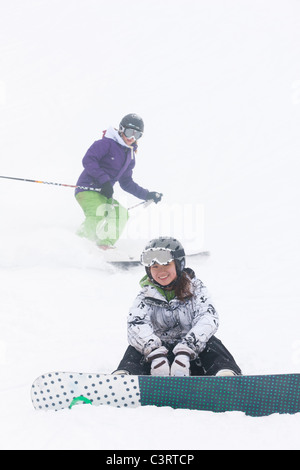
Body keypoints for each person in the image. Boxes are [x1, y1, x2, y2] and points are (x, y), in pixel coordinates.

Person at [114, 237, 242, 377]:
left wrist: (186, 349)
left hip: (191, 359)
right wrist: (154, 353)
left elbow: (208, 317)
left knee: (211, 343)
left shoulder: (195, 289)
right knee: (135, 348)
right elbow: (135, 323)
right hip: (158, 363)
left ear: (178, 264)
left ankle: (225, 375)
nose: (160, 271)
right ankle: (124, 377)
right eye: (155, 267)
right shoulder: (145, 295)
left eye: (166, 265)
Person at [75, 113, 162, 249]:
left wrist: (147, 195)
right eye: (129, 132)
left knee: (121, 213)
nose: (132, 138)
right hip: (88, 189)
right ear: (121, 129)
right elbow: (88, 160)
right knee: (98, 211)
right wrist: (104, 181)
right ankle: (78, 244)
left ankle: (104, 244)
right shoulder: (106, 143)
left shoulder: (129, 156)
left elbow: (126, 182)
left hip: (104, 193)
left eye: (137, 135)